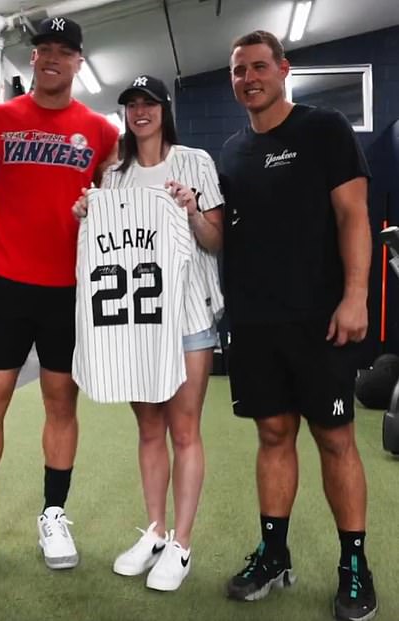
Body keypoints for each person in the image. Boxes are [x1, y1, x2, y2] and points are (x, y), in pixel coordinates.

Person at [0, 16, 119, 573]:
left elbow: (114, 205)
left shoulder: (103, 132)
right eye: (44, 49)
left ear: (78, 62)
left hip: (68, 288)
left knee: (61, 403)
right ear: (34, 57)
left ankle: (54, 516)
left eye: (64, 51)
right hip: (6, 283)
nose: (52, 59)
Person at [219, 30, 377, 621]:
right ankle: (275, 553)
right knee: (272, 436)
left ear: (283, 70)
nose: (248, 78)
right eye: (238, 71)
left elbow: (353, 214)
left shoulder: (324, 128)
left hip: (321, 319)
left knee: (335, 439)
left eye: (259, 67)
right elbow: (223, 237)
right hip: (256, 323)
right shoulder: (230, 151)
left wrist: (356, 295)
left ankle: (353, 564)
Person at [73, 75, 224, 591]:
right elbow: (103, 245)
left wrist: (191, 209)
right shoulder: (114, 173)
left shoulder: (195, 162)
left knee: (185, 431)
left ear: (164, 109)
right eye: (132, 104)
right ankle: (156, 530)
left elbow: (216, 240)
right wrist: (83, 217)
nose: (140, 112)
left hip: (186, 317)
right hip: (136, 320)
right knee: (148, 429)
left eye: (149, 103)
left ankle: (182, 542)